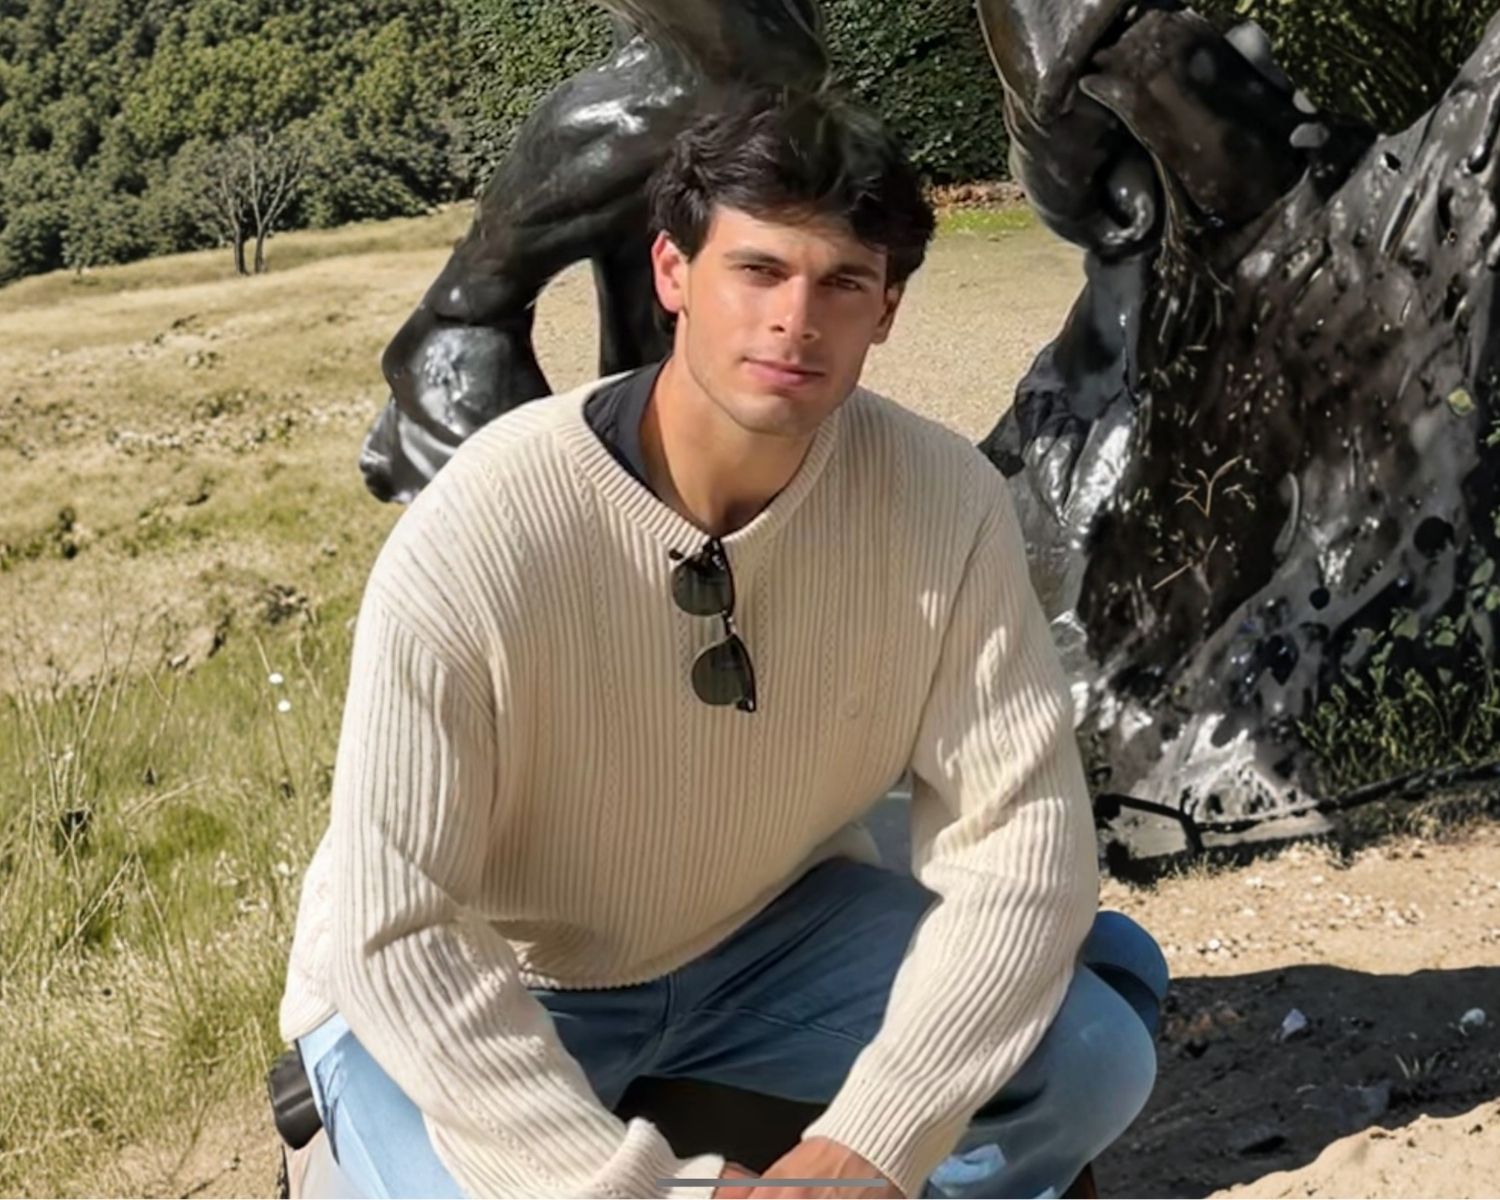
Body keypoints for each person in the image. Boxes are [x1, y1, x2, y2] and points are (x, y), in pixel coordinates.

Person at [278, 87, 1168, 1200]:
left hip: (767, 940)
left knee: (1090, 1052)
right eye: (758, 269)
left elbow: (1021, 843)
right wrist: (659, 1193)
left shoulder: (943, 502)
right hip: (489, 975)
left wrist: (874, 1140)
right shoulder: (488, 525)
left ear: (887, 309)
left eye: (842, 282)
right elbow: (395, 930)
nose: (796, 319)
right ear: (672, 273)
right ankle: (337, 1143)